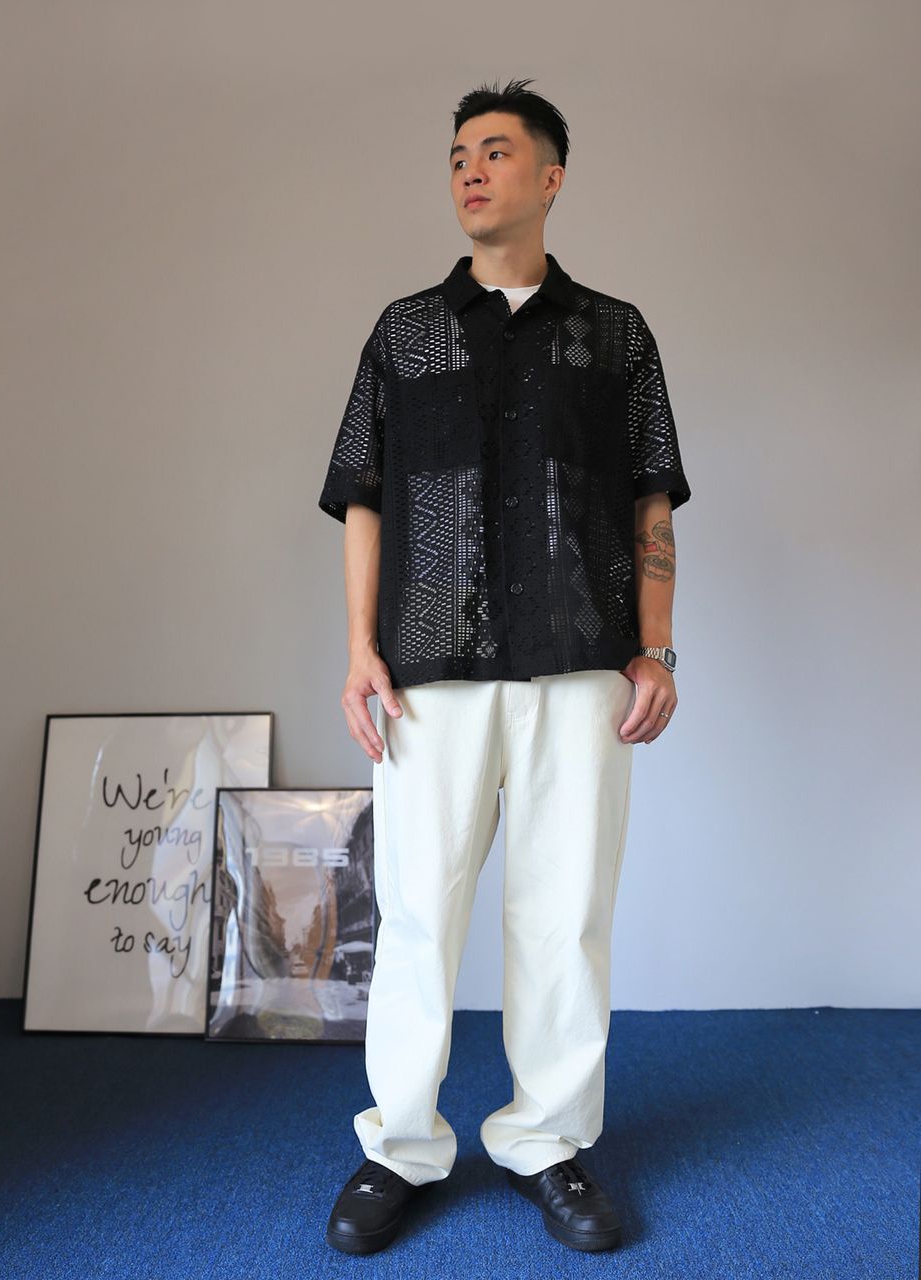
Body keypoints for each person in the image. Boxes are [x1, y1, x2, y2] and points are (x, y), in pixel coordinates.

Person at [317, 77, 692, 1256]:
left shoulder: (616, 335)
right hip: (428, 669)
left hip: (581, 662)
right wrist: (359, 648)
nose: (470, 171)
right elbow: (364, 496)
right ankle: (399, 1145)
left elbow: (651, 494)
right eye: (457, 157)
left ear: (550, 176)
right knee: (416, 914)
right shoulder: (404, 332)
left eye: (494, 151)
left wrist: (655, 646)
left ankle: (548, 1139)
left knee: (565, 912)